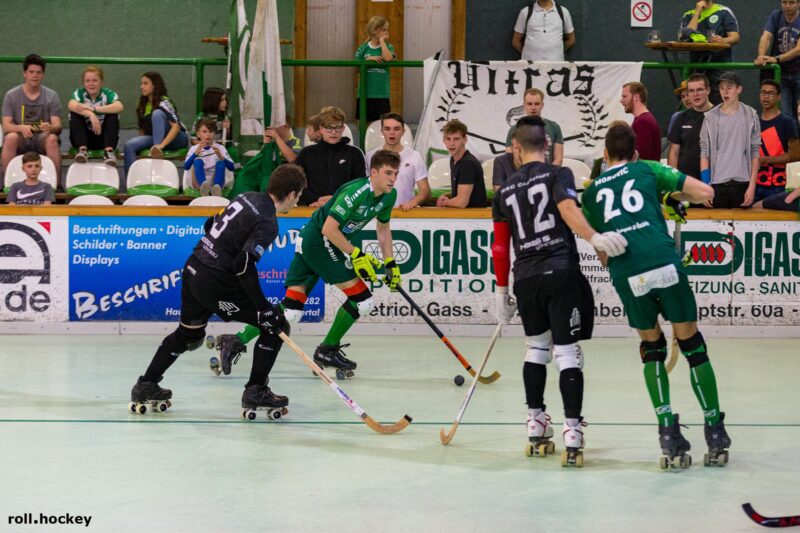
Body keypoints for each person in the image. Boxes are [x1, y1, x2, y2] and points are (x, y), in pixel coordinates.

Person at [581, 122, 731, 468]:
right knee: (692, 345)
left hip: (627, 271)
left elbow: (602, 254)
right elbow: (705, 192)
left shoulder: (590, 193)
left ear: (605, 155)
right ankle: (714, 430)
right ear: (635, 153)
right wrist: (669, 197)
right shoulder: (647, 168)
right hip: (664, 262)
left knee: (652, 349)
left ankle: (667, 432)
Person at [491, 116, 628, 465]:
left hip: (525, 277)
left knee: (536, 348)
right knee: (567, 352)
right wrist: (594, 238)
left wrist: (501, 291)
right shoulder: (559, 174)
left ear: (516, 148)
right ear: (548, 146)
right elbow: (568, 210)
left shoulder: (503, 190)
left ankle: (535, 422)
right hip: (560, 270)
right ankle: (572, 430)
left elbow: (500, 247)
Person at [128, 164, 307, 416]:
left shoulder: (245, 197)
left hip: (193, 267)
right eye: (299, 196)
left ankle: (146, 384)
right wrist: (263, 308)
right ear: (291, 194)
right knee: (275, 325)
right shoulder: (268, 222)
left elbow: (210, 223)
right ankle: (256, 390)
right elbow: (243, 264)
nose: (297, 202)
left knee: (188, 334)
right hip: (215, 282)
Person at [207, 150, 401, 378]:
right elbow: (329, 229)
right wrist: (356, 254)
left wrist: (390, 262)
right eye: (388, 173)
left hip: (315, 241)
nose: (393, 179)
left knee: (291, 310)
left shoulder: (389, 196)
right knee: (362, 301)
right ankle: (327, 350)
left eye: (396, 174)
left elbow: (383, 229)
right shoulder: (356, 192)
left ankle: (235, 340)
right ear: (374, 172)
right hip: (319, 242)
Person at [699, 71, 760, 208]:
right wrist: (705, 186)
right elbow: (704, 154)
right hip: (717, 184)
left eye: (729, 88)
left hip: (743, 183)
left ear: (739, 89)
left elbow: (755, 152)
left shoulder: (751, 115)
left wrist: (752, 186)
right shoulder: (709, 117)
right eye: (721, 88)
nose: (725, 92)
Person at [1, 54, 62, 189]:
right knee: (10, 137)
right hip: (21, 138)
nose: (35, 75)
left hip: (42, 138)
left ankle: (57, 186)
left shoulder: (51, 96)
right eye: (31, 72)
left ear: (43, 75)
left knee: (52, 139)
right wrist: (21, 128)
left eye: (38, 72)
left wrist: (50, 127)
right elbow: (6, 126)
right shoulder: (11, 95)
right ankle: (6, 184)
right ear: (25, 73)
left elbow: (57, 125)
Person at [122, 71, 189, 177]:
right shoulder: (142, 104)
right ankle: (132, 181)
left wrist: (160, 146)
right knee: (129, 145)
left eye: (145, 83)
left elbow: (176, 127)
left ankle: (157, 151)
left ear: (155, 85)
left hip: (176, 138)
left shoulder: (164, 102)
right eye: (141, 83)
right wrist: (141, 145)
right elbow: (142, 129)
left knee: (157, 114)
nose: (141, 86)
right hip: (154, 138)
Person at [296, 107, 366, 207]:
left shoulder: (354, 154)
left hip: (345, 209)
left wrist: (341, 201)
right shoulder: (306, 154)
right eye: (329, 128)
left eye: (337, 128)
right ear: (321, 129)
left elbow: (360, 186)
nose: (334, 132)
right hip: (313, 208)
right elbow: (294, 184)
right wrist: (315, 199)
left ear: (343, 128)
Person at [679, 1, 740, 104]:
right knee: (698, 104)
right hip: (697, 67)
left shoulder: (723, 11)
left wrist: (723, 40)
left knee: (721, 104)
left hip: (720, 66)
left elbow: (735, 37)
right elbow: (686, 35)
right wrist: (697, 12)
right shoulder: (688, 15)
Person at [366, 112, 429, 209]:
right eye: (387, 129)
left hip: (405, 212)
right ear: (382, 131)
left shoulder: (414, 156)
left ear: (403, 131)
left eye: (396, 129)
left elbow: (425, 191)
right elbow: (364, 188)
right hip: (377, 213)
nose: (392, 133)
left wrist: (413, 203)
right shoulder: (370, 156)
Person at [754, 0, 800, 123]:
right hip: (782, 73)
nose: (787, 6)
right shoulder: (776, 15)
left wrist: (777, 59)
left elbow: (798, 49)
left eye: (792, 2)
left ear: (799, 3)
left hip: (798, 72)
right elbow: (766, 37)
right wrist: (761, 56)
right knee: (785, 114)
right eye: (784, 2)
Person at [755, 79, 800, 204]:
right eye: (763, 92)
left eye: (771, 93)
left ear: (779, 96)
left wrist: (765, 160)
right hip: (754, 183)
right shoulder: (753, 121)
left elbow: (796, 155)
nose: (766, 96)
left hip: (777, 185)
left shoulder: (787, 122)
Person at [68, 65, 123, 166]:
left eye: (95, 80)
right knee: (75, 113)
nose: (91, 84)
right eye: (87, 81)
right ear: (84, 83)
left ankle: (108, 152)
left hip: (103, 138)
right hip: (83, 138)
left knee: (113, 113)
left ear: (101, 82)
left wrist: (94, 109)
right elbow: (71, 105)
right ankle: (83, 150)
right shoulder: (79, 93)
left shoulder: (108, 93)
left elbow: (119, 106)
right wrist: (90, 114)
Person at [668, 74, 714, 181]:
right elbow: (674, 153)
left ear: (708, 90)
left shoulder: (720, 116)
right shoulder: (680, 118)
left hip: (715, 180)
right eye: (691, 91)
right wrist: (673, 180)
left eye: (699, 90)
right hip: (686, 181)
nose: (695, 94)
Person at [436, 119, 487, 208]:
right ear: (444, 140)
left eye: (456, 139)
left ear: (465, 140)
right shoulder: (454, 160)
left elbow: (462, 202)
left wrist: (444, 203)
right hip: (465, 214)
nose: (451, 143)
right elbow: (462, 193)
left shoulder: (468, 163)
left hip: (475, 215)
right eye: (448, 139)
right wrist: (447, 196)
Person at [506, 88, 564, 166]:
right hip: (523, 172)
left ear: (542, 105)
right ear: (524, 105)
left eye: (537, 104)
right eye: (529, 104)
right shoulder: (514, 130)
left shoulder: (554, 127)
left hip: (548, 172)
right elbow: (510, 159)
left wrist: (549, 172)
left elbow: (558, 159)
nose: (533, 108)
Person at [355, 16, 396, 122]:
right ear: (374, 30)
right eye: (384, 30)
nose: (387, 32)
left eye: (387, 29)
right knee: (364, 122)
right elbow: (356, 67)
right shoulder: (363, 48)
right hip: (365, 93)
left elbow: (388, 58)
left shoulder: (388, 47)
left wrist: (382, 41)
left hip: (381, 93)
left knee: (382, 123)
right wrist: (367, 60)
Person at [184, 118, 235, 196]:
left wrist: (221, 156)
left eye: (211, 131)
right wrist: (195, 154)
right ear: (198, 134)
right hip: (197, 184)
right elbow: (186, 167)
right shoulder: (194, 149)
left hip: (216, 183)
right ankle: (203, 187)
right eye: (204, 131)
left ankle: (216, 189)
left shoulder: (220, 148)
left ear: (214, 133)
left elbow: (232, 167)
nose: (208, 134)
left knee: (221, 163)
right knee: (198, 161)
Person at [620, 82, 661, 162]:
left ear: (636, 97)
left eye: (624, 96)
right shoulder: (642, 120)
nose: (621, 100)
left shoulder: (643, 122)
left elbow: (641, 157)